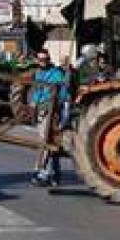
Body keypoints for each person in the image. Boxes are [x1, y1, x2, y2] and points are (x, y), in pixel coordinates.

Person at [30, 50, 70, 187]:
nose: (43, 62)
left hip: (52, 112)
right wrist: (33, 107)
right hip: (42, 110)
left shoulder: (56, 74)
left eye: (45, 59)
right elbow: (37, 92)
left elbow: (63, 94)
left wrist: (60, 110)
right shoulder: (38, 73)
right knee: (51, 144)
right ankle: (54, 174)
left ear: (49, 59)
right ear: (37, 60)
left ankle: (41, 172)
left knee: (46, 141)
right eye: (40, 60)